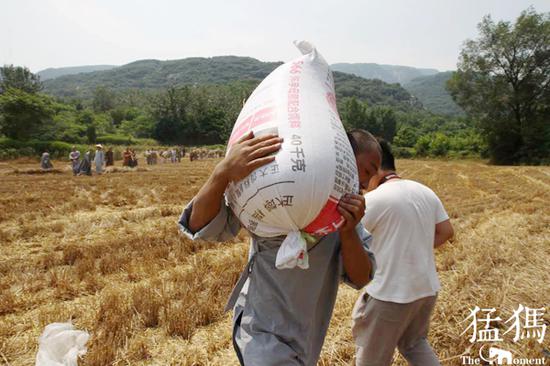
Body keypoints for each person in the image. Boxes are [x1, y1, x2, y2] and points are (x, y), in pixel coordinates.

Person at [178, 129, 381, 366]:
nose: (365, 184)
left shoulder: (346, 218)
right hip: (262, 331)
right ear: (343, 157)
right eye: (366, 170)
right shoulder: (281, 186)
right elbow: (198, 224)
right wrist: (222, 172)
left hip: (307, 339)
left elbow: (361, 276)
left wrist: (347, 231)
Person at [352, 139, 454, 366]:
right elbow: (446, 231)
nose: (364, 182)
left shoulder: (374, 200)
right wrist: (414, 249)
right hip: (426, 289)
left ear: (375, 165)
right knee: (414, 344)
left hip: (391, 294)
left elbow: (350, 241)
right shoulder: (425, 191)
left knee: (372, 359)